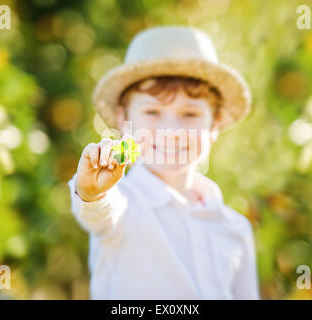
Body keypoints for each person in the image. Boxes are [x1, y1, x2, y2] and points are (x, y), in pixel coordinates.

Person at [68, 26, 259, 299]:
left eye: (190, 114)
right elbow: (98, 211)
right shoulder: (123, 205)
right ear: (124, 121)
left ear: (214, 124)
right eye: (152, 112)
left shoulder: (234, 229)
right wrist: (91, 191)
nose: (171, 129)